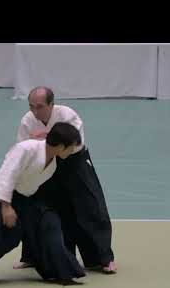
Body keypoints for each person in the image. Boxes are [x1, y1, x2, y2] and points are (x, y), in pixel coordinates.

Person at [0, 122, 86, 286]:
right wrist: (6, 206)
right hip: (3, 196)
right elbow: (6, 174)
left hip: (26, 199)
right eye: (71, 147)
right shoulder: (26, 149)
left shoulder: (52, 163)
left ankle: (60, 272)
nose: (72, 150)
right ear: (60, 146)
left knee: (49, 227)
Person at [14, 86, 117, 274]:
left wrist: (43, 139)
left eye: (40, 107)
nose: (35, 112)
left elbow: (73, 144)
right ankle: (33, 256)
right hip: (45, 165)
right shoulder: (27, 121)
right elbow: (23, 147)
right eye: (31, 107)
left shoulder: (67, 115)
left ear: (51, 104)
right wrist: (48, 141)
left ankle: (102, 258)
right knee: (44, 209)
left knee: (90, 207)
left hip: (74, 162)